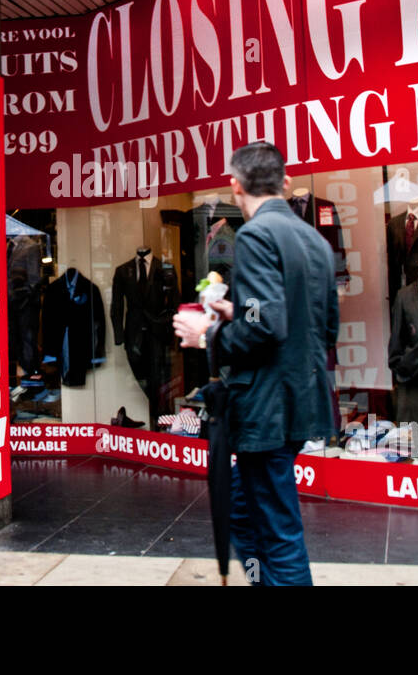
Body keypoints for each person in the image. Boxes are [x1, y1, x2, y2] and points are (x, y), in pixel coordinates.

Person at [173, 142, 338, 586]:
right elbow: (319, 327)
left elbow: (266, 324)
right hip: (299, 403)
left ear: (235, 185)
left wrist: (206, 334)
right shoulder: (316, 242)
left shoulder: (255, 235)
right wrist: (236, 310)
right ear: (284, 183)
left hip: (267, 411)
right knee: (243, 514)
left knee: (279, 534)